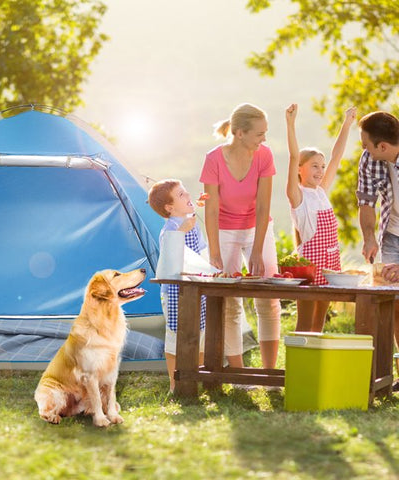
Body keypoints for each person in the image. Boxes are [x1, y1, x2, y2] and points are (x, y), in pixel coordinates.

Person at [199, 103, 280, 369]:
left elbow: (264, 205)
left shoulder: (264, 155)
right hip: (224, 230)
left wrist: (257, 249)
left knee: (268, 299)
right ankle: (238, 373)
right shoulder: (213, 159)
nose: (264, 139)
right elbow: (210, 209)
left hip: (258, 228)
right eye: (260, 133)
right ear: (240, 133)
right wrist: (214, 252)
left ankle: (268, 373)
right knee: (230, 302)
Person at [285, 104, 357, 332]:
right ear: (299, 169)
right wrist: (290, 124)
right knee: (305, 322)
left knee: (320, 321)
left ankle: (314, 364)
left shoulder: (321, 192)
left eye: (322, 166)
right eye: (314, 166)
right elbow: (293, 155)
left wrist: (347, 123)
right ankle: (299, 363)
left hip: (330, 266)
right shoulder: (297, 195)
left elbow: (337, 156)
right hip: (310, 267)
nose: (320, 170)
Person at [148, 179, 207, 393]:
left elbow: (200, 250)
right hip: (175, 292)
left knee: (200, 333)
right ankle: (175, 383)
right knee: (175, 338)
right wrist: (181, 230)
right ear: (169, 208)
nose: (188, 195)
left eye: (185, 192)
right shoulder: (171, 228)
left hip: (196, 287)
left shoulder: (191, 223)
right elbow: (171, 252)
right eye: (181, 195)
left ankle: (197, 378)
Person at [356, 110, 399, 390]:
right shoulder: (371, 160)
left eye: (366, 145)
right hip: (393, 236)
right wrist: (369, 237)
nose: (364, 150)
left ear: (382, 146)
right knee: (395, 302)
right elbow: (366, 202)